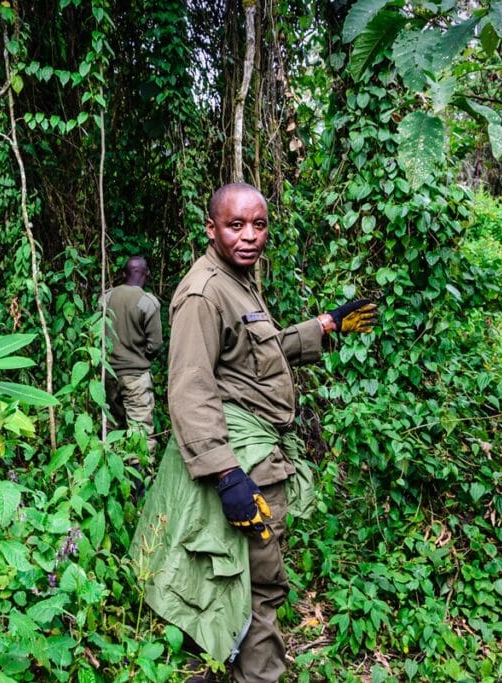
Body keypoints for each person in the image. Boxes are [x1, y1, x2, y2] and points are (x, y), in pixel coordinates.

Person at [129, 183, 377, 682]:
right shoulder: (203, 292)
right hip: (239, 452)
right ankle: (255, 673)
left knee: (247, 572)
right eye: (235, 225)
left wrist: (325, 326)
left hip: (258, 443)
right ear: (212, 229)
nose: (249, 237)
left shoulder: (235, 281)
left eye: (258, 225)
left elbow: (253, 356)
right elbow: (190, 387)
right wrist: (226, 475)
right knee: (261, 579)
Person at [104, 255, 163, 458]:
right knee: (140, 433)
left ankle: (110, 480)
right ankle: (141, 487)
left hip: (108, 373)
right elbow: (155, 344)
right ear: (147, 275)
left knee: (111, 429)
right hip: (136, 376)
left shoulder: (106, 298)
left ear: (123, 274)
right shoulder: (148, 303)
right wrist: (140, 355)